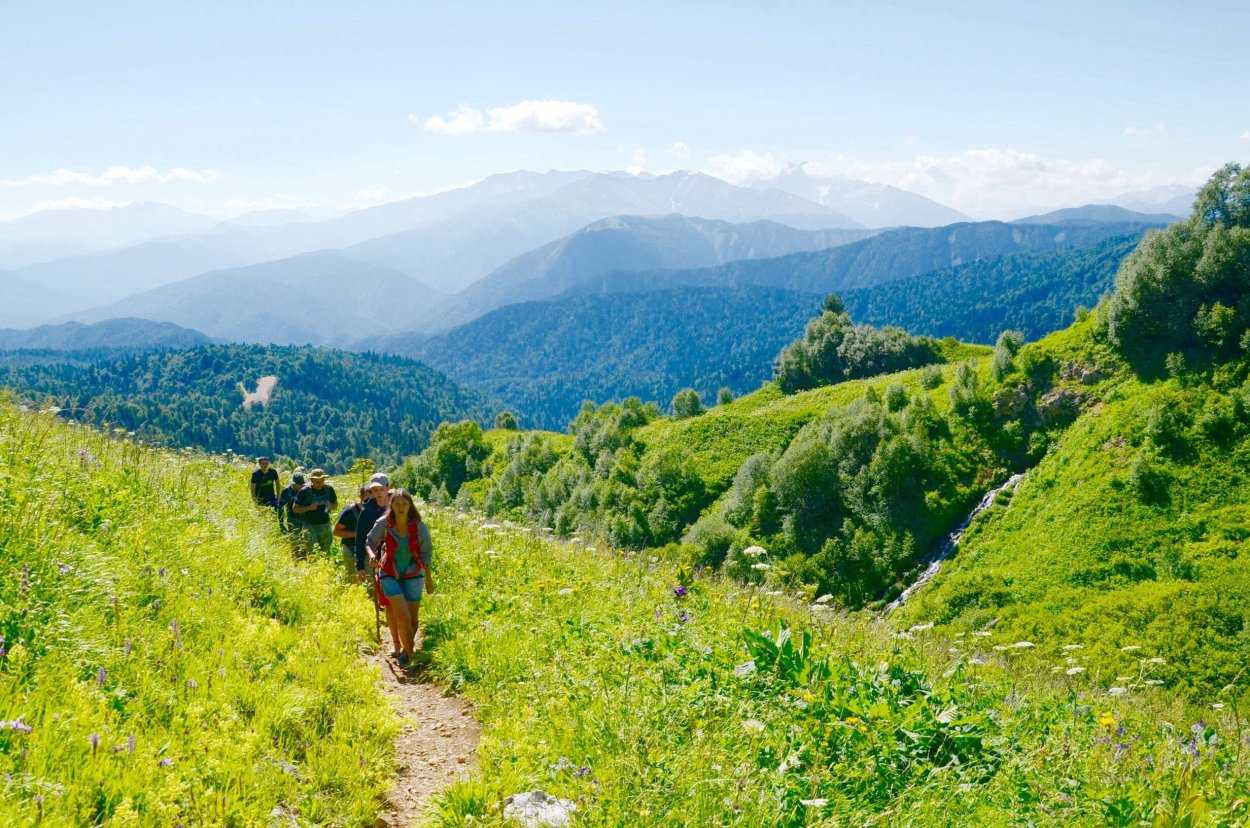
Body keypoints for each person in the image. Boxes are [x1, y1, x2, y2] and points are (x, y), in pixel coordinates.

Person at [365, 488, 434, 668]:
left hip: (413, 573)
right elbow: (369, 542)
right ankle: (411, 655)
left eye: (404, 504)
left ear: (410, 505)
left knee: (412, 618)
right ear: (391, 506)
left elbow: (426, 554)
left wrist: (429, 579)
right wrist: (372, 556)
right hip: (389, 573)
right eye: (397, 504)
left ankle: (406, 650)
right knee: (402, 616)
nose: (401, 507)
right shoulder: (385, 523)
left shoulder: (419, 526)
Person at [355, 474, 401, 656]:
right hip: (379, 558)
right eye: (374, 491)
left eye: (381, 489)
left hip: (401, 557)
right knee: (388, 601)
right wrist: (360, 564)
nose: (378, 494)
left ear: (388, 487)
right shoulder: (367, 511)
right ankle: (396, 641)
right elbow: (361, 539)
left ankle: (404, 638)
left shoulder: (399, 503)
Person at [293, 469, 338, 558]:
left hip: (325, 524)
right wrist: (308, 508)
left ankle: (325, 569)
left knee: (326, 552)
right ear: (311, 480)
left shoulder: (329, 489)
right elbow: (295, 508)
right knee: (313, 552)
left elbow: (335, 503)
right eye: (317, 482)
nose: (320, 484)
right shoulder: (305, 491)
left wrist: (331, 506)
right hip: (309, 525)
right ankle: (314, 569)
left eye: (322, 481)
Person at [333, 486, 369, 582]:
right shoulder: (350, 511)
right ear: (360, 496)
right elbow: (336, 532)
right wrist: (357, 534)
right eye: (367, 498)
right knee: (352, 579)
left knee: (369, 580)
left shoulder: (373, 511)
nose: (369, 501)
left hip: (367, 550)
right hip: (350, 548)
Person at [277, 470, 306, 542]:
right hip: (292, 518)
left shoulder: (307, 490)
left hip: (306, 519)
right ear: (293, 483)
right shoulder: (286, 491)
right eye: (297, 484)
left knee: (305, 540)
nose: (300, 486)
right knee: (294, 539)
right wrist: (281, 524)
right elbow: (281, 507)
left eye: (301, 484)